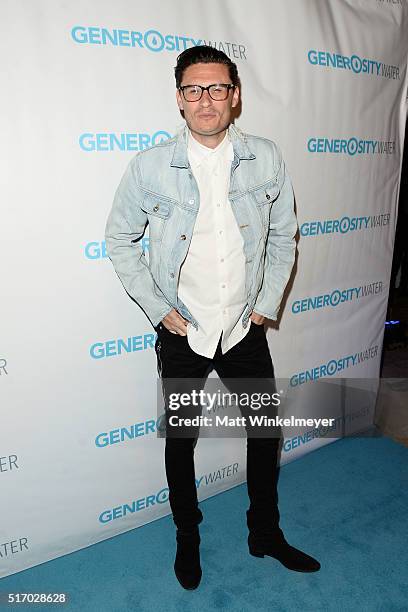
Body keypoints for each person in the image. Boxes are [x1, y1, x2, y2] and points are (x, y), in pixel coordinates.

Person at [105, 45, 320, 590]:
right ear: (180, 99)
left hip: (243, 325)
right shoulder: (150, 165)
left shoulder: (266, 157)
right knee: (181, 440)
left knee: (265, 431)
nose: (207, 100)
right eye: (195, 90)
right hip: (182, 332)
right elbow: (119, 239)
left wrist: (265, 307)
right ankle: (187, 538)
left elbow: (280, 237)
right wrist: (159, 309)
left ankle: (264, 533)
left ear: (235, 96)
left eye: (218, 88)